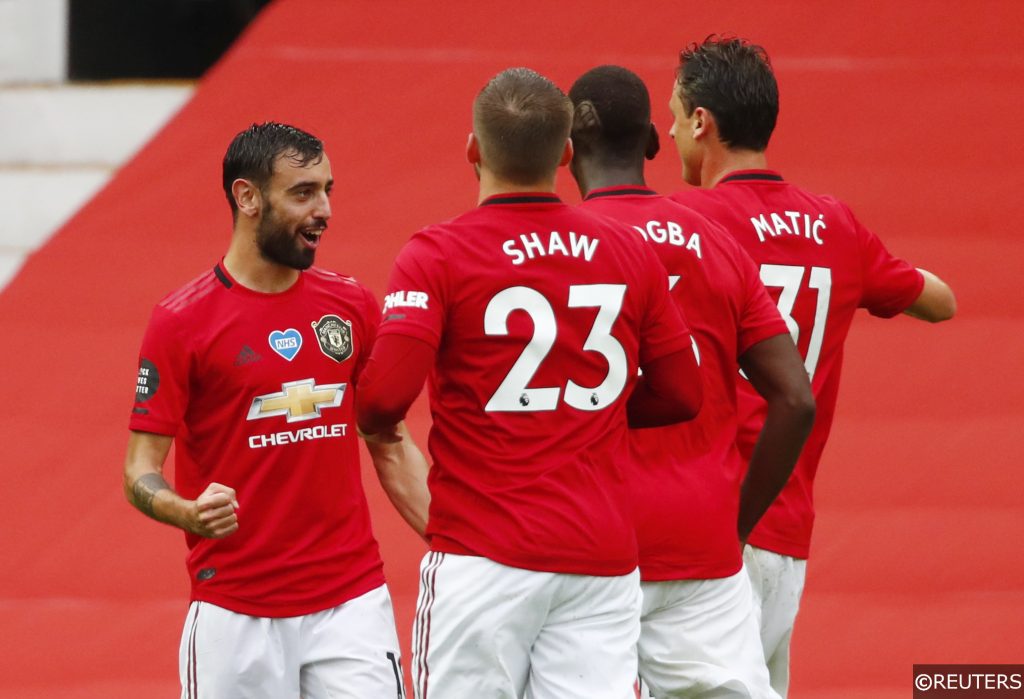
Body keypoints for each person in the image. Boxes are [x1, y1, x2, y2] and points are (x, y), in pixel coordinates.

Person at [354, 67, 703, 699]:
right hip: (598, 557)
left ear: (473, 149)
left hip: (482, 558)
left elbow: (381, 400)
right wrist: (593, 412)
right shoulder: (626, 251)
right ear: (566, 154)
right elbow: (683, 392)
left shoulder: (437, 254)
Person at [667, 37, 957, 696]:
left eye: (676, 116)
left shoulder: (686, 222)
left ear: (702, 122)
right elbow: (940, 302)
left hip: (711, 529)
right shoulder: (835, 225)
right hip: (786, 532)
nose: (671, 131)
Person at [122, 122, 427, 698]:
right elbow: (139, 468)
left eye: (328, 189)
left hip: (351, 605)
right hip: (235, 613)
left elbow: (390, 440)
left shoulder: (353, 305)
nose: (325, 209)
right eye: (304, 192)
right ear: (248, 197)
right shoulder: (180, 321)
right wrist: (185, 511)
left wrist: (460, 545)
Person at [569, 64, 815, 699]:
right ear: (652, 143)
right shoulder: (715, 241)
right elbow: (795, 397)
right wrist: (735, 524)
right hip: (701, 544)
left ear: (566, 147)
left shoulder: (559, 250)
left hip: (587, 542)